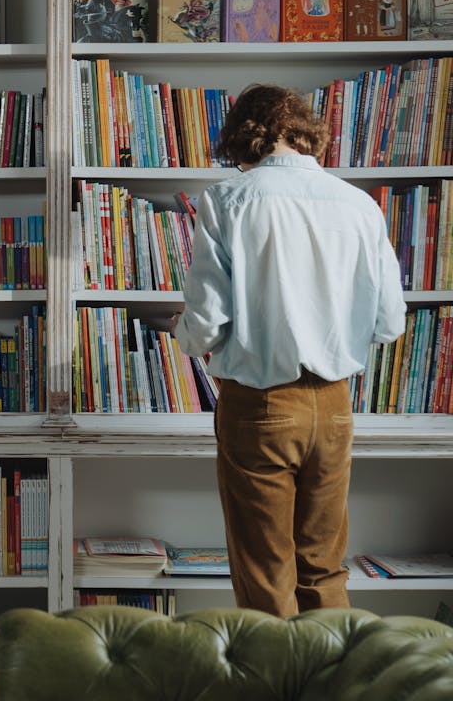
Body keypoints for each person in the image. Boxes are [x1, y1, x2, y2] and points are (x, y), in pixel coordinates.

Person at [173, 84, 406, 617]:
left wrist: (182, 334)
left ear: (241, 139)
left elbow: (206, 324)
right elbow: (390, 321)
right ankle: (327, 685)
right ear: (305, 133)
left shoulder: (227, 200)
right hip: (334, 406)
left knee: (265, 570)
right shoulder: (359, 204)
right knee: (324, 564)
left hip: (260, 404)